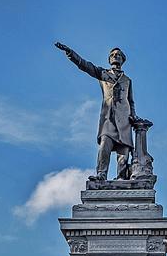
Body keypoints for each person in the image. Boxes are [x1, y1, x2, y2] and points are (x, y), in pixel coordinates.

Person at [55, 42, 136, 181]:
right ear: (110, 59)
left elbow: (131, 100)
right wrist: (71, 53)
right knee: (105, 144)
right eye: (113, 55)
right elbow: (86, 66)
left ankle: (122, 176)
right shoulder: (103, 74)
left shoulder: (127, 80)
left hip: (124, 117)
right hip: (108, 117)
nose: (115, 56)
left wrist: (133, 116)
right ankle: (101, 174)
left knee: (124, 150)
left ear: (123, 59)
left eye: (118, 55)